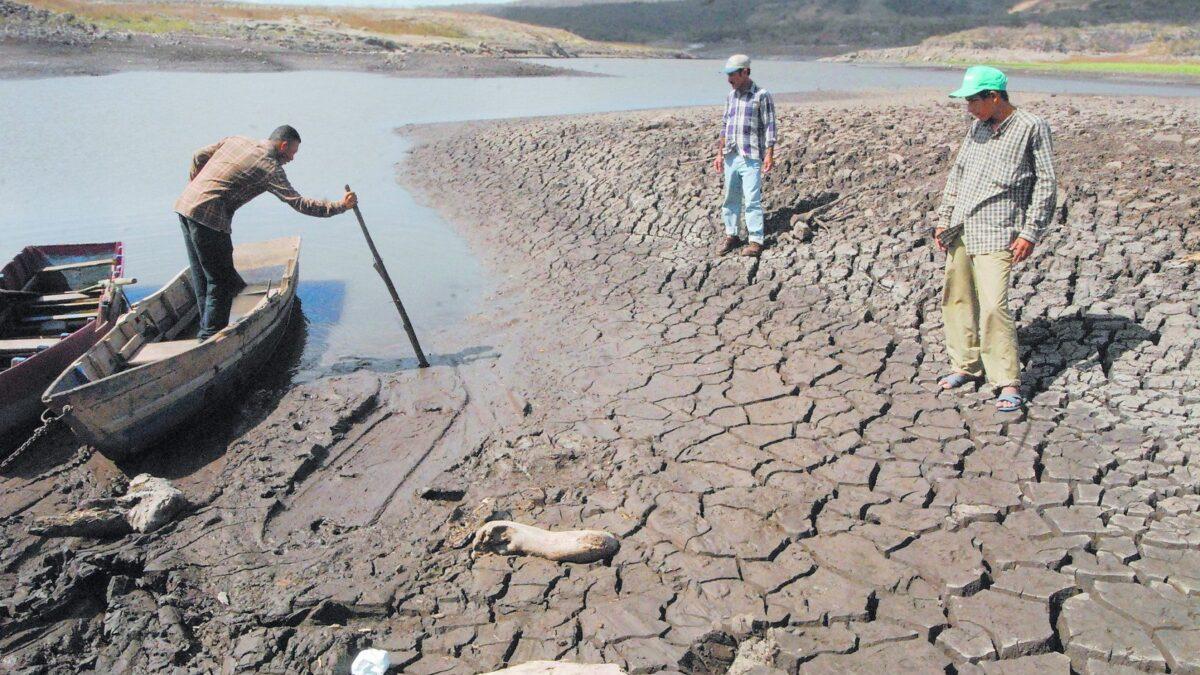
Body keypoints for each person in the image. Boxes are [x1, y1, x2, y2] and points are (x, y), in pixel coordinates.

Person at [935, 66, 1057, 412]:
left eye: (973, 100)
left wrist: (1030, 231)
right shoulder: (977, 128)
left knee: (993, 307)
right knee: (956, 299)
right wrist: (943, 220)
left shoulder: (1032, 127)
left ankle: (1007, 381)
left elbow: (1046, 184)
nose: (968, 107)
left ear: (994, 97)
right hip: (961, 228)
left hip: (998, 230)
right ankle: (965, 365)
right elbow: (957, 175)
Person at [174, 125, 356, 341]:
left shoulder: (237, 139)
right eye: (293, 152)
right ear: (283, 145)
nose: (292, 158)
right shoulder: (270, 168)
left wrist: (196, 187)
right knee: (220, 282)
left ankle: (205, 331)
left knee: (203, 276)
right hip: (210, 218)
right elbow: (299, 203)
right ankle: (210, 340)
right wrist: (341, 206)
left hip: (186, 205)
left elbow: (197, 156)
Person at [712, 54, 777, 258]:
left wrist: (769, 154)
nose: (729, 79)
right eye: (728, 75)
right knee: (730, 197)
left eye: (733, 74)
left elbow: (770, 126)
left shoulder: (761, 95)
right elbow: (725, 126)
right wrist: (719, 154)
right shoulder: (731, 97)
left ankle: (756, 240)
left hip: (751, 155)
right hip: (731, 154)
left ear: (745, 72)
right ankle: (732, 235)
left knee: (752, 199)